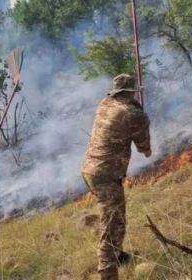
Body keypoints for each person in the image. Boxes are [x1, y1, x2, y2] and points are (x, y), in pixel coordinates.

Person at [81, 74, 151, 280]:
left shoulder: (105, 103)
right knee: (113, 224)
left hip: (89, 169)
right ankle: (107, 273)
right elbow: (143, 145)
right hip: (106, 174)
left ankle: (118, 256)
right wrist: (146, 146)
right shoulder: (133, 112)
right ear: (131, 91)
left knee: (114, 218)